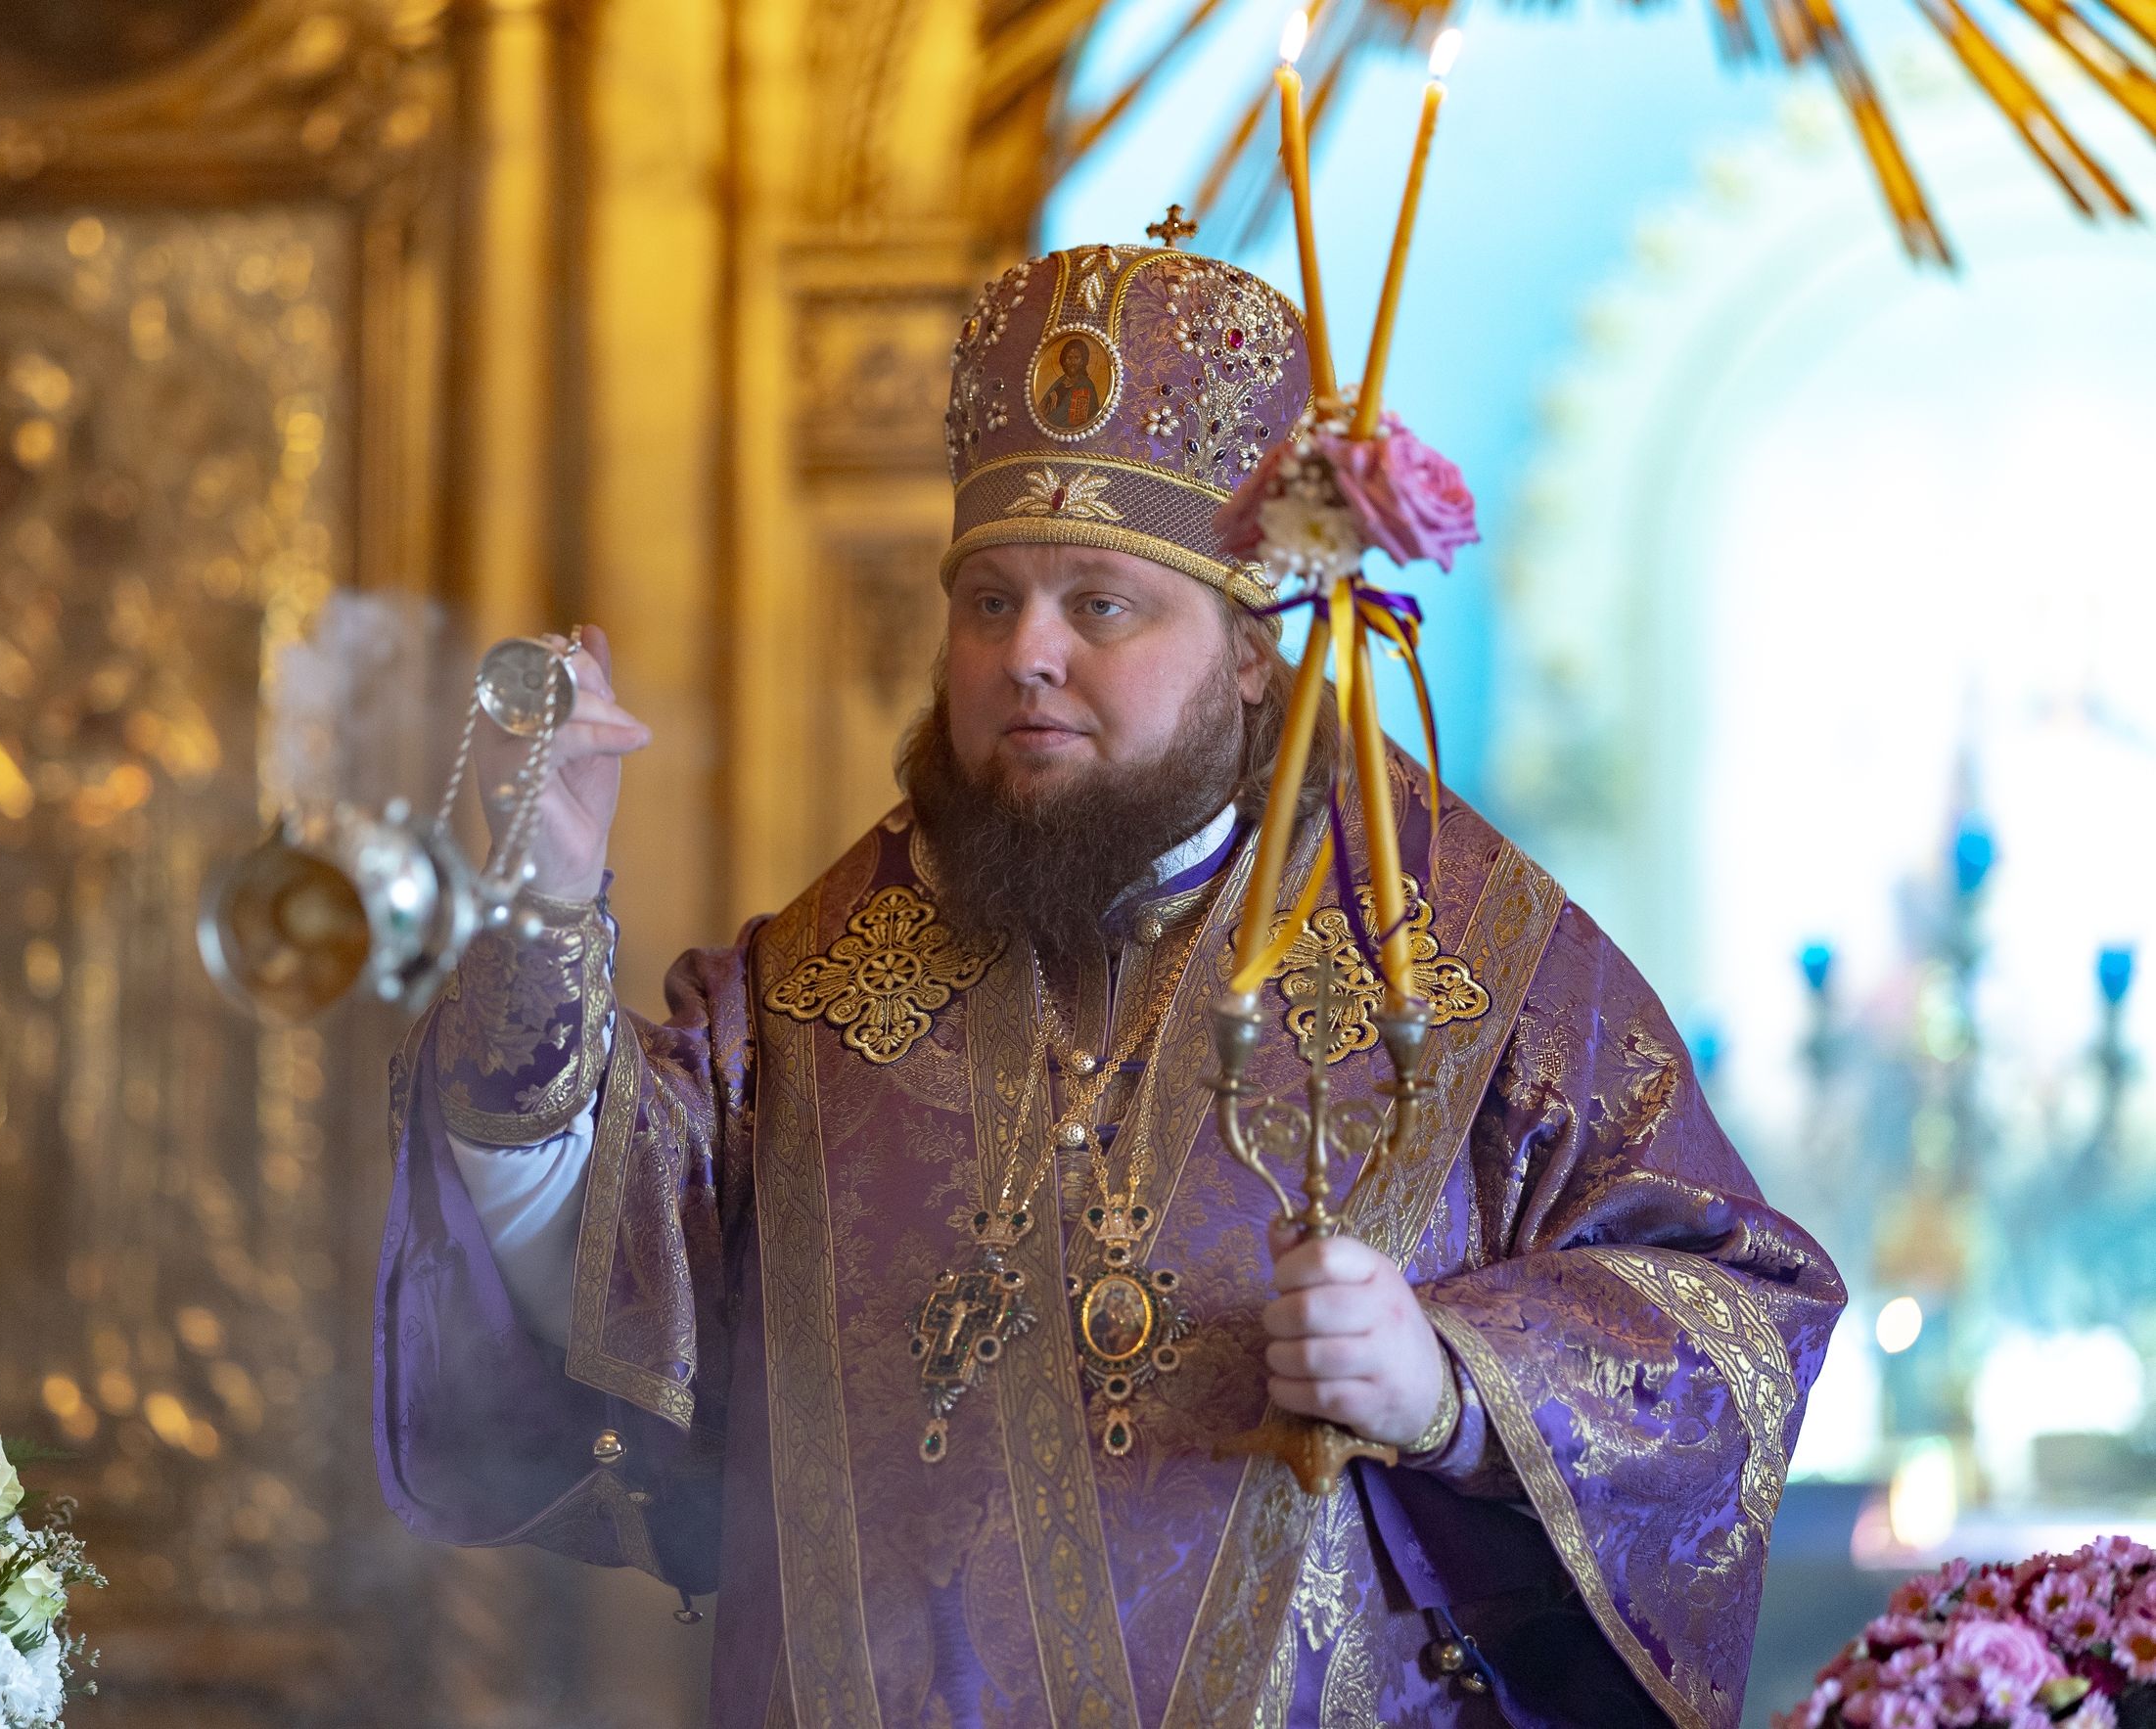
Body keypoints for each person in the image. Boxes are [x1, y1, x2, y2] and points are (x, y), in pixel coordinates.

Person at [375, 240, 1844, 1728]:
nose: (1026, 654)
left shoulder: (1463, 962)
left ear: (1252, 650)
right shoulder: (815, 985)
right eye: (988, 601)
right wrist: (542, 901)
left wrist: (1453, 1385)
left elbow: (1740, 1312)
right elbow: (592, 1275)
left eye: (1099, 606)